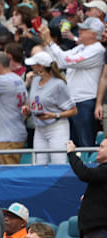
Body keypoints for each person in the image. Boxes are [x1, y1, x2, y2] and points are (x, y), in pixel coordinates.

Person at [39, 18, 104, 147]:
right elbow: (57, 59)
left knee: (86, 143)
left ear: (93, 33)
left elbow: (66, 61)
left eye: (84, 29)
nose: (79, 31)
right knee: (71, 143)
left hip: (85, 101)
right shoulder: (81, 47)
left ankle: (89, 167)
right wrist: (45, 41)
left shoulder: (97, 50)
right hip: (73, 101)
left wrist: (50, 42)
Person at [23, 52, 77, 165]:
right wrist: (28, 108)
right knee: (38, 164)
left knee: (58, 163)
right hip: (39, 127)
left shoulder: (59, 84)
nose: (31, 67)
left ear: (40, 67)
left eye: (33, 64)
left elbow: (73, 110)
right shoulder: (35, 81)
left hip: (57, 127)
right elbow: (33, 100)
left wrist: (54, 115)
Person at [66, 139, 107, 238]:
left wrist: (71, 153)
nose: (98, 150)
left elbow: (85, 174)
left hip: (100, 231)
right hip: (92, 231)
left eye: (102, 147)